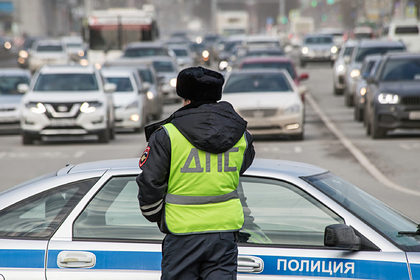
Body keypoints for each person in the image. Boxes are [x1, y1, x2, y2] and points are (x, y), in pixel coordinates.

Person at [136, 66, 255, 280]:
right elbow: (241, 168)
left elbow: (150, 182)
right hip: (224, 232)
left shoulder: (167, 134)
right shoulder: (240, 134)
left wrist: (156, 216)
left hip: (182, 232)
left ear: (185, 98)